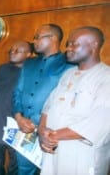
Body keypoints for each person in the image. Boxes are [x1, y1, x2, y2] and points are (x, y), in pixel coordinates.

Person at [38, 26, 110, 175]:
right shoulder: (68, 74)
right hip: (53, 152)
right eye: (68, 44)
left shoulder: (105, 77)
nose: (68, 48)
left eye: (74, 44)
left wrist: (51, 136)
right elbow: (48, 106)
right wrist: (42, 131)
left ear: (94, 45)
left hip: (82, 156)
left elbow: (99, 123)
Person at [12, 24, 72, 175]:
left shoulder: (69, 64)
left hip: (53, 133)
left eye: (38, 37)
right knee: (24, 170)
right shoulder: (29, 63)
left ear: (53, 38)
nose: (34, 41)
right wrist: (19, 117)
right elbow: (17, 92)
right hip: (26, 129)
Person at [0, 40, 33, 175]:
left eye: (17, 50)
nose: (12, 52)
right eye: (11, 50)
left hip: (19, 125)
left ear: (29, 54)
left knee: (16, 164)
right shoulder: (2, 69)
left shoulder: (32, 72)